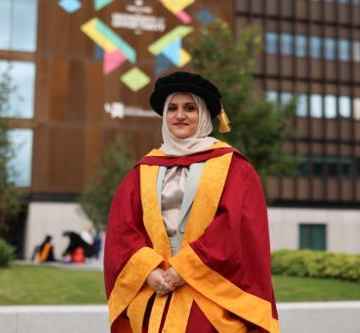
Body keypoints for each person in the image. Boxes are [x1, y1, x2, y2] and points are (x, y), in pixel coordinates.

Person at [104, 71, 279, 332]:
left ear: (204, 116)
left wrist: (182, 270)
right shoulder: (144, 169)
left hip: (210, 295)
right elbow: (124, 229)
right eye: (172, 108)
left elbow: (234, 228)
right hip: (155, 292)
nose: (180, 115)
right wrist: (150, 272)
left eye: (189, 108)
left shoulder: (232, 166)